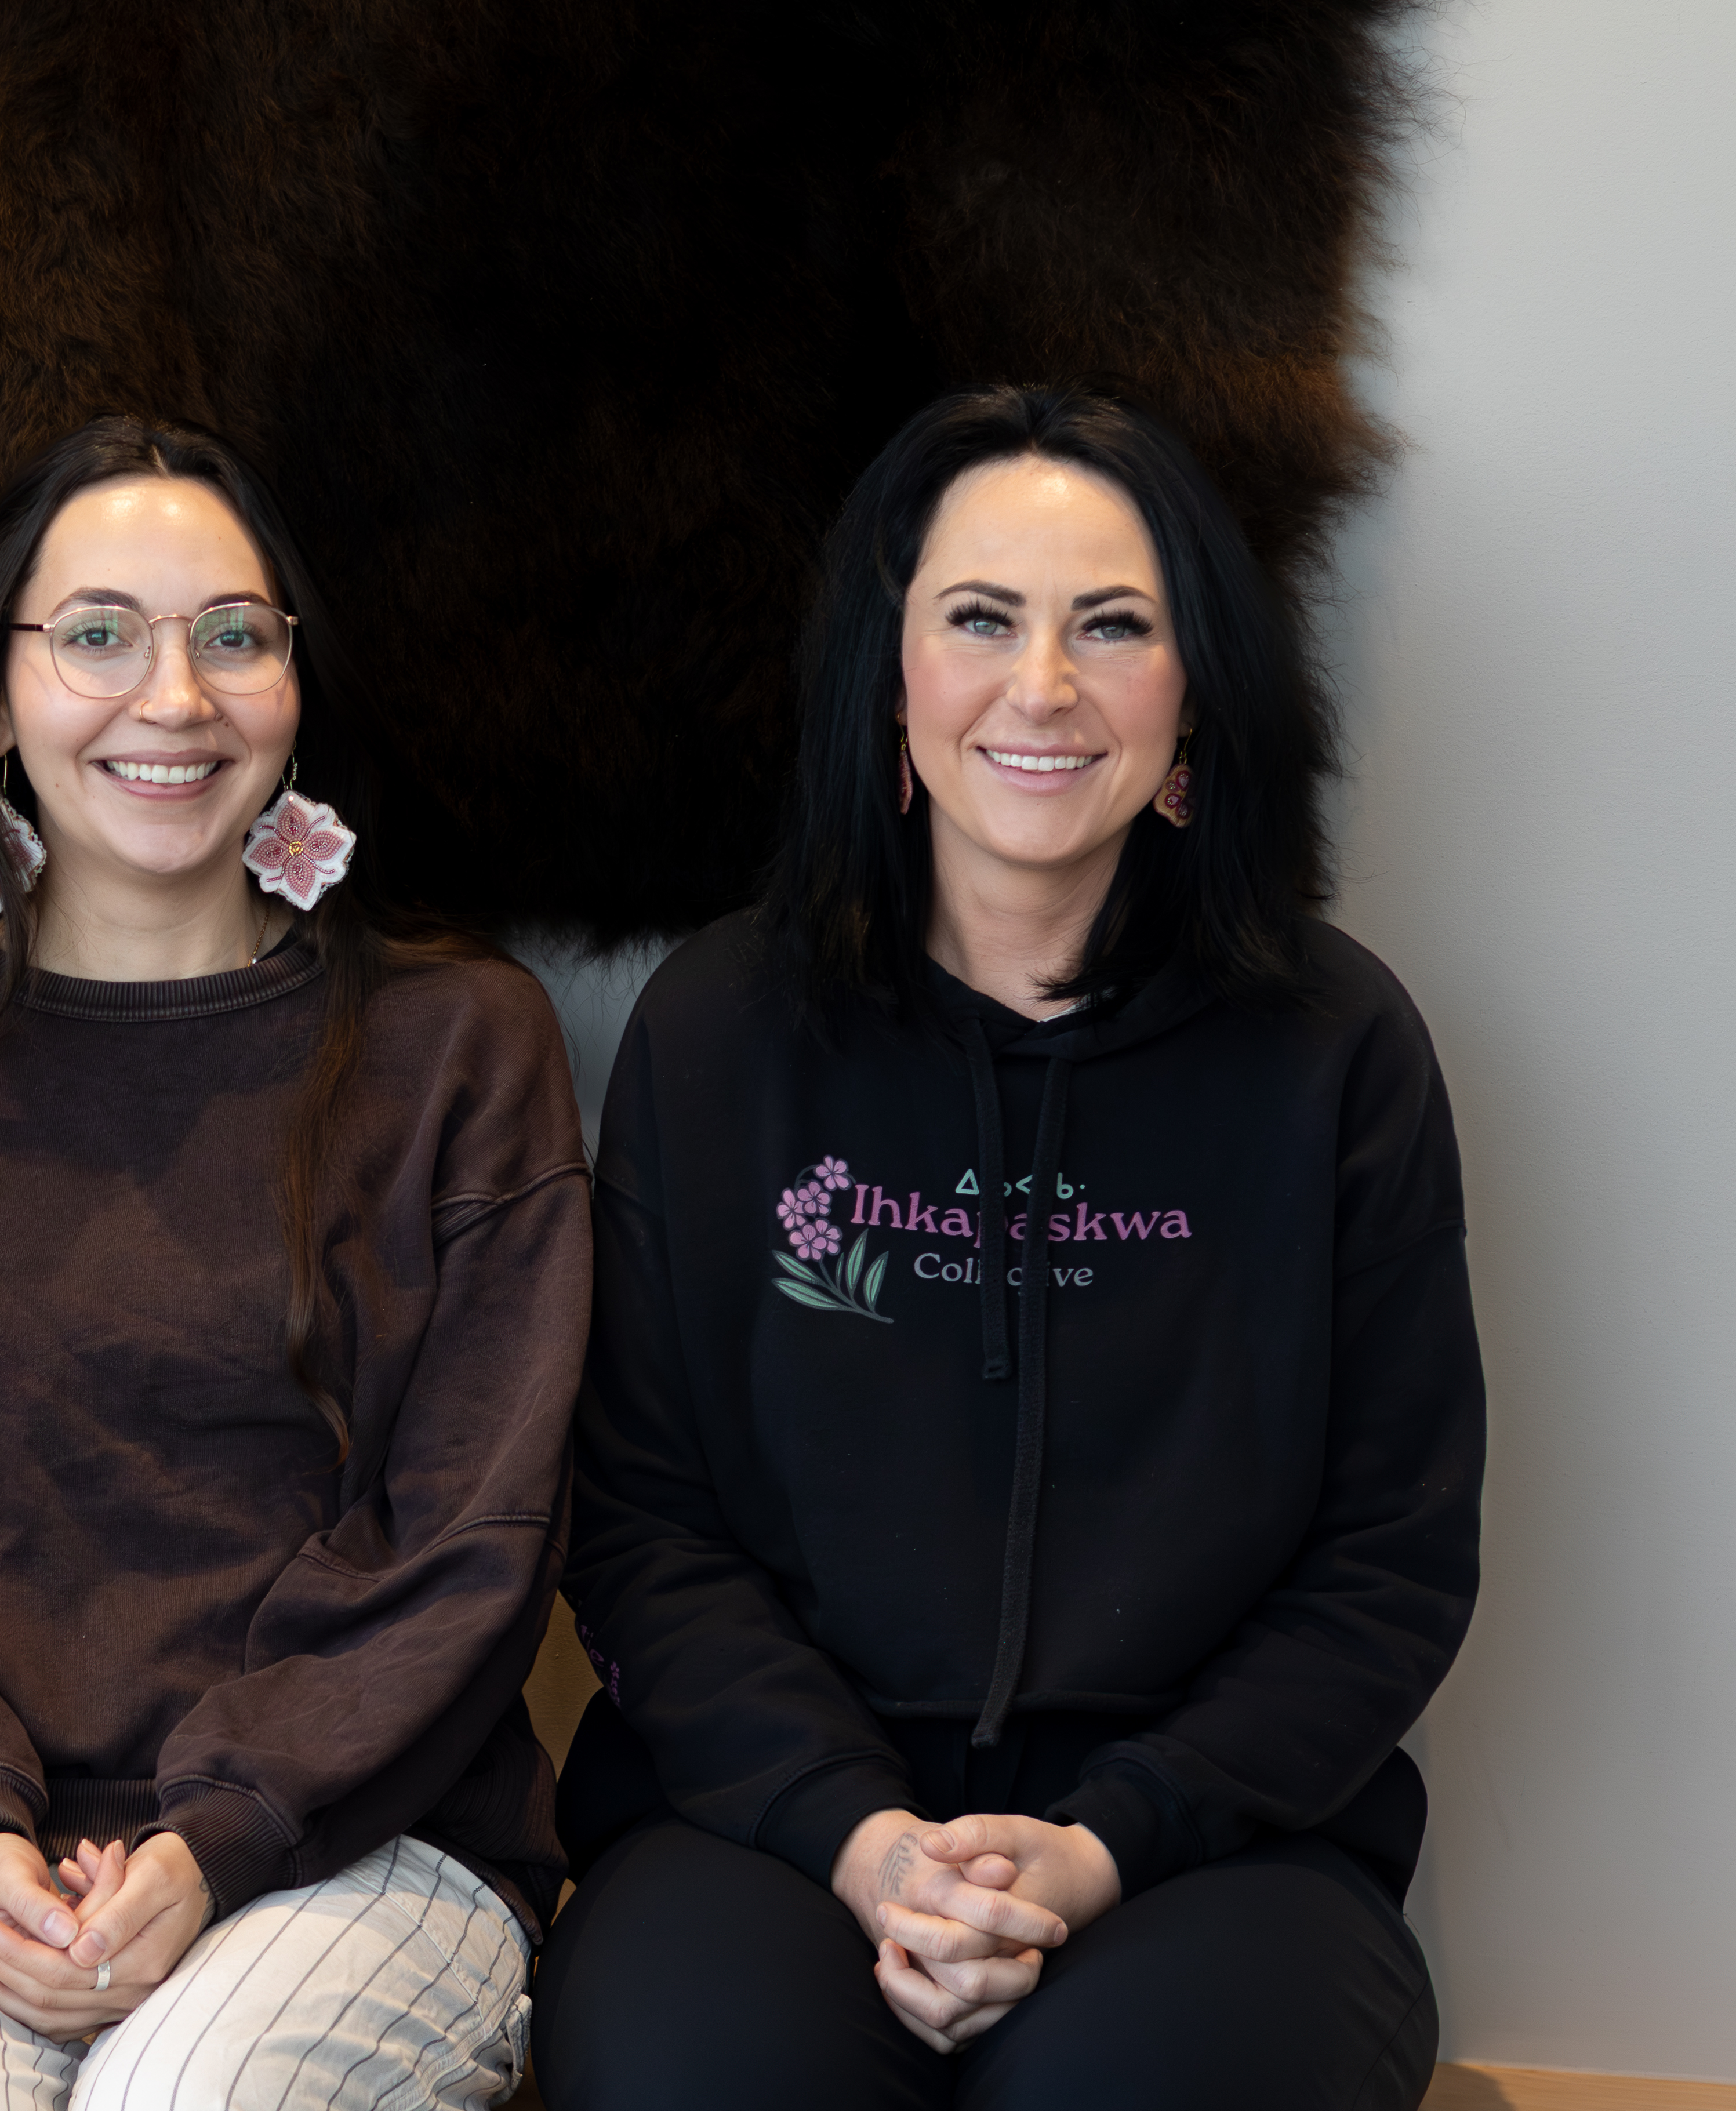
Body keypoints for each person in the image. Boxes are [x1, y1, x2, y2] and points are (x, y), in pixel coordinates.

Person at [533, 384, 1482, 2109]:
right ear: (890, 679)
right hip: (765, 1824)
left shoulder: (1336, 1051)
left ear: (1195, 690)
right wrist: (865, 1835)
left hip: (1217, 1850)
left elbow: (1387, 1566)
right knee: (703, 2073)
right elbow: (646, 1526)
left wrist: (1104, 1842)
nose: (1042, 686)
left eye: (1113, 625)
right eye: (980, 618)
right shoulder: (717, 1032)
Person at [0, 417, 584, 2109]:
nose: (174, 697)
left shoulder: (462, 1047)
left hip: (360, 1840)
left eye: (233, 635)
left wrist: (218, 1834)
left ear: (294, 686)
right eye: (97, 633)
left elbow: (467, 1537)